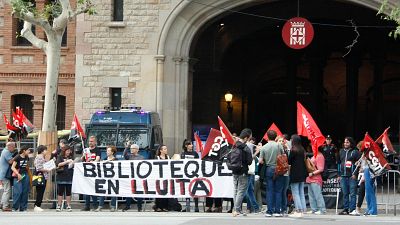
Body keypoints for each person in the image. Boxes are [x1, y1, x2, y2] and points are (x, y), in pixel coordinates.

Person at [259, 130, 285, 217]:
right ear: (276, 136)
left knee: (269, 191)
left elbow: (261, 161)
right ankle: (277, 211)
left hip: (269, 169)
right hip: (279, 169)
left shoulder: (264, 147)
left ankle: (269, 211)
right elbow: (283, 156)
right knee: (278, 191)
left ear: (267, 137)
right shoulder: (279, 145)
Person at [231, 128, 253, 217]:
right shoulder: (245, 147)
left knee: (236, 190)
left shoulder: (234, 144)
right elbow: (249, 161)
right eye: (249, 138)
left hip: (234, 170)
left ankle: (236, 209)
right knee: (241, 191)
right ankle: (236, 209)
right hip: (243, 171)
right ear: (246, 138)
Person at [337, 137, 360, 215]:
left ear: (351, 143)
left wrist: (355, 174)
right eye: (345, 142)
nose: (345, 144)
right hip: (343, 176)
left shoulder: (355, 152)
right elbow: (339, 164)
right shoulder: (341, 151)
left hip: (352, 176)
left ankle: (352, 209)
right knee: (345, 193)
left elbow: (359, 164)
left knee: (353, 193)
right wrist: (339, 174)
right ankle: (346, 209)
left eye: (347, 142)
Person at [288, 135, 307, 218]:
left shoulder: (293, 150)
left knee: (295, 192)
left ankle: (298, 210)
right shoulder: (302, 150)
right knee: (301, 192)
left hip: (295, 173)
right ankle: (303, 210)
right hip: (302, 173)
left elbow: (289, 161)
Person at [123, 144, 144, 212]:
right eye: (131, 148)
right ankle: (127, 206)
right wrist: (127, 147)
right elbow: (124, 154)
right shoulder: (129, 156)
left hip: (138, 177)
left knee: (139, 192)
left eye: (133, 148)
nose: (131, 149)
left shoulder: (141, 158)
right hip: (130, 177)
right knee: (129, 191)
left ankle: (139, 207)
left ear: (137, 150)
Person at [306, 144, 327, 215]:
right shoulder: (315, 155)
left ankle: (322, 209)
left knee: (317, 195)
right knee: (311, 195)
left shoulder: (320, 156)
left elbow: (321, 169)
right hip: (310, 178)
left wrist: (312, 173)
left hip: (316, 178)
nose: (312, 147)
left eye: (313, 146)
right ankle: (314, 209)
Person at [81, 136, 101, 211]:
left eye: (92, 141)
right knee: (86, 189)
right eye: (89, 141)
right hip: (87, 172)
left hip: (94, 172)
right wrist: (83, 155)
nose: (90, 142)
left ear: (95, 142)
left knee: (93, 189)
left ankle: (95, 205)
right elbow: (82, 160)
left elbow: (97, 159)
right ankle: (87, 206)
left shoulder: (97, 150)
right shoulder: (86, 149)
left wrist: (93, 162)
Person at [181, 139, 200, 212]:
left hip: (194, 174)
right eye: (190, 144)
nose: (192, 145)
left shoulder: (195, 153)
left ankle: (196, 206)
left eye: (192, 144)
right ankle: (187, 204)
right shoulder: (183, 154)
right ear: (186, 146)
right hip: (186, 175)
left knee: (195, 190)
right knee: (187, 189)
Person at [97, 146, 118, 212]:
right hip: (105, 178)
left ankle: (113, 206)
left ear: (112, 152)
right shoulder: (104, 159)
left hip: (113, 179)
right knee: (102, 192)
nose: (107, 152)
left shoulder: (116, 160)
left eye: (108, 151)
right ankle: (100, 206)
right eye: (107, 150)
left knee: (113, 192)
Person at [11, 145, 31, 212]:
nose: (29, 151)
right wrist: (18, 174)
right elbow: (12, 167)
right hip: (18, 175)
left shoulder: (27, 157)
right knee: (18, 191)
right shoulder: (17, 157)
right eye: (28, 150)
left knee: (25, 191)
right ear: (24, 151)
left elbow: (26, 166)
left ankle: (23, 207)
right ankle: (15, 207)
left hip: (25, 175)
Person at [55, 145, 74, 212]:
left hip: (69, 176)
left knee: (68, 192)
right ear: (64, 151)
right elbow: (58, 164)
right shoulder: (60, 156)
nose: (69, 152)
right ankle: (59, 205)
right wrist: (67, 162)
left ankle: (68, 205)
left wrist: (72, 163)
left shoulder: (71, 157)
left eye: (69, 151)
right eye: (67, 150)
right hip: (61, 176)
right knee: (60, 192)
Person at [245, 137, 260, 214]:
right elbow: (250, 158)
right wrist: (257, 151)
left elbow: (251, 158)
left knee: (249, 190)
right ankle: (255, 207)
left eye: (253, 142)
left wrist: (257, 151)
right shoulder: (245, 146)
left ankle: (254, 207)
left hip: (250, 172)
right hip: (248, 171)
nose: (252, 143)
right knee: (249, 191)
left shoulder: (252, 148)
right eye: (250, 141)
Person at [33, 145, 51, 212]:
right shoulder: (40, 157)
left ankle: (37, 205)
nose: (46, 151)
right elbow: (38, 168)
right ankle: (37, 205)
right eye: (45, 150)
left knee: (40, 191)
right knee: (40, 191)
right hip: (41, 176)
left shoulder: (40, 157)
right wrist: (46, 170)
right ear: (42, 151)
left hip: (41, 176)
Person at [153, 145, 170, 212]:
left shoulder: (168, 157)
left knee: (166, 192)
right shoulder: (157, 158)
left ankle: (165, 206)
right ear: (161, 150)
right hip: (159, 177)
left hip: (166, 177)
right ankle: (158, 206)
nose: (166, 150)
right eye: (165, 149)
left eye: (166, 148)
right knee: (159, 192)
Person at [0, 142, 16, 211]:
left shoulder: (4, 151)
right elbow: (10, 161)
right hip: (5, 174)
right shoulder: (6, 152)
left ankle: (2, 204)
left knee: (5, 190)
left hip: (3, 174)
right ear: (10, 146)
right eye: (14, 147)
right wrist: (16, 156)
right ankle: (5, 206)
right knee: (7, 190)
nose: (14, 149)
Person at [277, 136, 290, 215]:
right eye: (279, 141)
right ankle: (278, 208)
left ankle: (284, 209)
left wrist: (288, 149)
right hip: (278, 173)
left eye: (282, 141)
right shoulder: (276, 150)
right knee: (279, 191)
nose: (281, 142)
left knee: (284, 191)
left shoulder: (286, 151)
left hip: (286, 173)